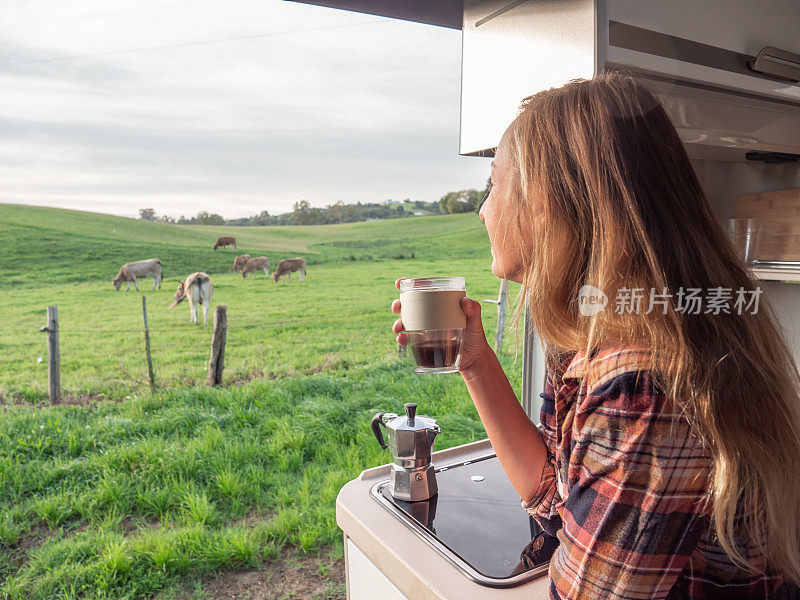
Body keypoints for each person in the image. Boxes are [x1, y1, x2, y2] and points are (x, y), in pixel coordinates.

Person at [391, 72, 800, 599]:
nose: (483, 209)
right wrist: (476, 362)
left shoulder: (643, 385)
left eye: (495, 183)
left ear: (546, 203)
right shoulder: (589, 333)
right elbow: (549, 494)